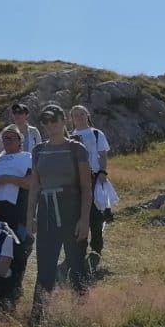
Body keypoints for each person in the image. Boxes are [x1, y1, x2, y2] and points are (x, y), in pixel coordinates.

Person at [27, 104, 92, 323]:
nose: (50, 125)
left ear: (64, 121)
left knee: (76, 264)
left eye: (55, 120)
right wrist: (30, 216)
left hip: (71, 209)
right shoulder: (38, 151)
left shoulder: (77, 149)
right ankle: (37, 318)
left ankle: (82, 315)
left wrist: (84, 220)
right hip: (46, 211)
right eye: (46, 121)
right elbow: (35, 187)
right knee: (45, 265)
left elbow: (86, 187)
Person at [0, 125, 34, 295]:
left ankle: (16, 283)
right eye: (4, 138)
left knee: (18, 245)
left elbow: (31, 183)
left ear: (20, 141)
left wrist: (8, 179)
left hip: (18, 208)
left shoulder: (27, 157)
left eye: (11, 138)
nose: (6, 141)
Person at [70, 105, 111, 275]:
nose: (79, 117)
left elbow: (102, 154)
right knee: (76, 214)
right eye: (75, 115)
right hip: (75, 180)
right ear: (71, 118)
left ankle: (96, 248)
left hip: (94, 177)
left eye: (82, 114)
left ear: (87, 115)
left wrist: (102, 171)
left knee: (95, 213)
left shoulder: (96, 133)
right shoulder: (70, 136)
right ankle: (79, 247)